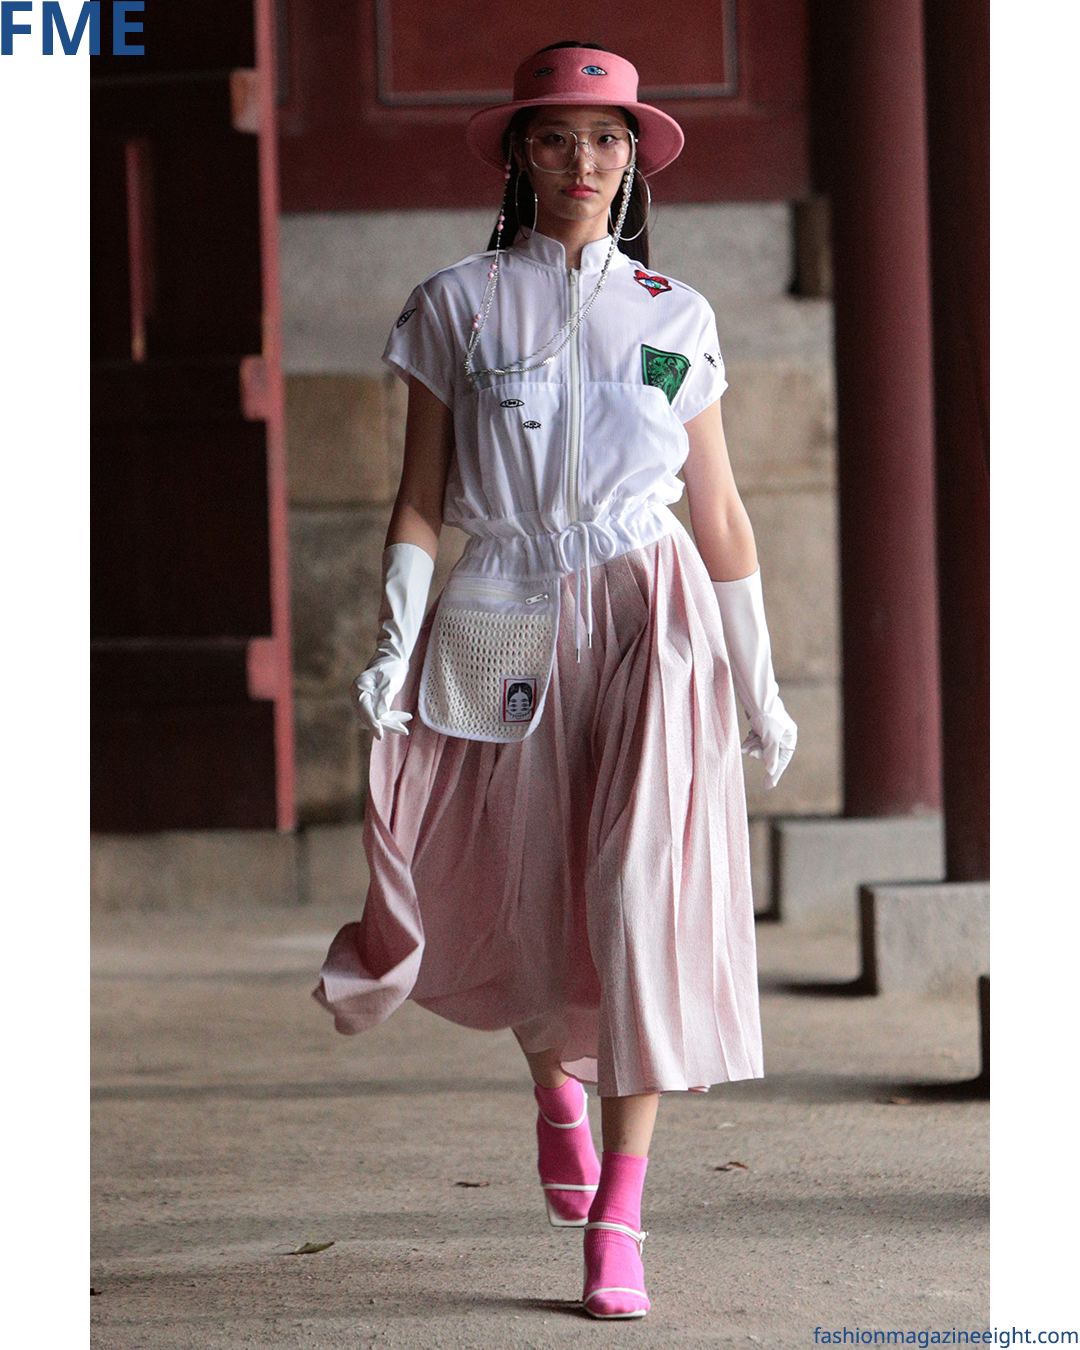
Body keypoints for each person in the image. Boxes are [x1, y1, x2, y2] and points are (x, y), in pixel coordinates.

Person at [314, 41, 797, 1321]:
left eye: (608, 139)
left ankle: (621, 1215)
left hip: (651, 612)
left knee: (640, 894)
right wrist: (392, 641)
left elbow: (720, 513)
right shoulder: (455, 306)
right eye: (557, 138)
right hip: (503, 608)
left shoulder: (675, 313)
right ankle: (553, 1092)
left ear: (634, 160)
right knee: (532, 893)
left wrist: (760, 684)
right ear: (520, 156)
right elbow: (422, 501)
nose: (584, 162)